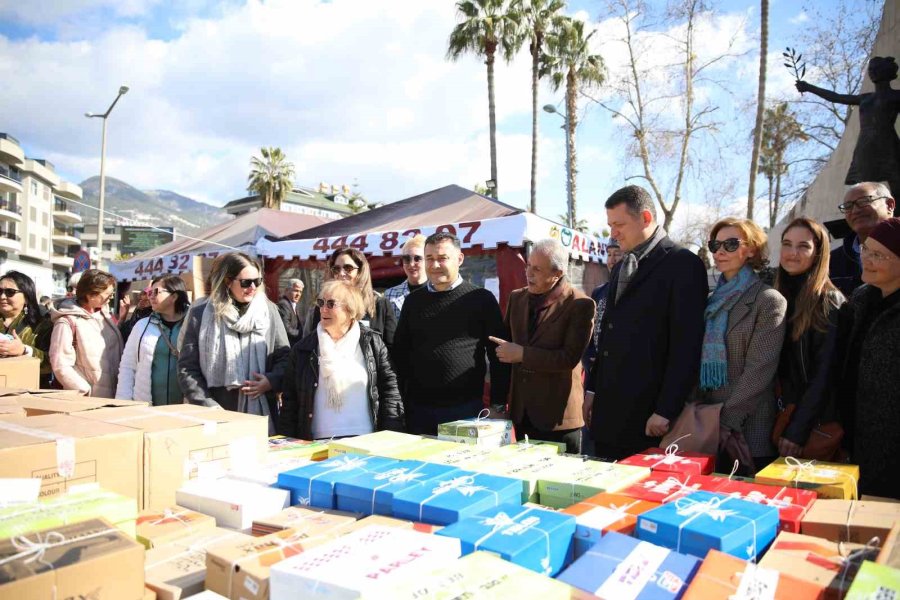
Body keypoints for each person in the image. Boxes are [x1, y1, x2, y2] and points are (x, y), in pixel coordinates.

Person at [586, 185, 708, 460]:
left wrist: (666, 409)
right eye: (610, 225)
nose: (613, 233)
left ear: (645, 218)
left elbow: (687, 345)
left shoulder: (683, 264)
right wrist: (593, 389)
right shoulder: (621, 266)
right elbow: (607, 336)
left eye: (619, 225)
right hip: (608, 413)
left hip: (649, 419)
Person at [393, 232, 510, 435]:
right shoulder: (413, 302)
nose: (435, 265)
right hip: (418, 411)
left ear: (460, 258)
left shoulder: (481, 299)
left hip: (466, 410)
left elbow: (499, 355)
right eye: (429, 258)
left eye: (442, 258)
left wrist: (498, 404)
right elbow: (400, 354)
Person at [695, 218, 786, 475]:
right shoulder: (711, 301)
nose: (720, 251)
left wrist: (726, 421)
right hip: (708, 424)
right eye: (715, 245)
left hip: (748, 427)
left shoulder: (768, 300)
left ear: (751, 249)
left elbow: (760, 370)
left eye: (731, 244)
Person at [491, 239, 594, 454]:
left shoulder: (579, 304)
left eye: (537, 269)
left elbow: (568, 358)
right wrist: (498, 403)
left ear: (557, 273)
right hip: (522, 414)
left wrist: (522, 354)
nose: (528, 273)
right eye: (528, 265)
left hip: (558, 419)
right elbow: (504, 352)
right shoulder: (517, 298)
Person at [278, 281, 404, 439]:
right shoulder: (303, 349)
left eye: (331, 304)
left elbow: (390, 391)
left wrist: (391, 435)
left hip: (365, 440)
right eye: (321, 302)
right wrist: (287, 440)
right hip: (316, 443)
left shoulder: (372, 343)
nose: (323, 309)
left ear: (351, 310)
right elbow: (290, 403)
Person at [178, 252, 290, 430]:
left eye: (257, 281)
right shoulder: (200, 313)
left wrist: (270, 381)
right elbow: (187, 368)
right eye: (246, 282)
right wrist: (208, 406)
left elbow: (284, 357)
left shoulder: (269, 311)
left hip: (260, 413)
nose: (252, 287)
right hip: (214, 414)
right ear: (227, 281)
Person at [833, 217, 900, 499]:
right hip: (854, 435)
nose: (867, 260)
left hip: (891, 446)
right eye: (866, 250)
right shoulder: (861, 299)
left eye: (879, 255)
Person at [773, 218, 845, 458]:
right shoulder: (779, 295)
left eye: (803, 246)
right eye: (787, 244)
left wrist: (797, 431)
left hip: (811, 426)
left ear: (818, 253)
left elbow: (825, 375)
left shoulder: (828, 301)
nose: (792, 253)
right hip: (782, 415)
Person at [796, 57, 900, 206]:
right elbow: (836, 97)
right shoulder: (865, 98)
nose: (871, 73)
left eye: (875, 69)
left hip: (888, 144)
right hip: (866, 145)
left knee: (896, 181)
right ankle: (868, 211)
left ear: (885, 72)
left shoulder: (896, 96)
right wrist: (809, 87)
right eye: (870, 70)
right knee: (865, 186)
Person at [116, 275, 190, 405]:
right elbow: (128, 366)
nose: (150, 296)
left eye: (156, 292)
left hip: (186, 409)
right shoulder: (141, 326)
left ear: (174, 296)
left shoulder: (193, 325)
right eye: (150, 292)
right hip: (146, 408)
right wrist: (123, 401)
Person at [49, 269, 124, 397]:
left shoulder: (104, 316)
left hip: (114, 397)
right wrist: (84, 390)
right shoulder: (67, 322)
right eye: (107, 294)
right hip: (89, 400)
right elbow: (60, 364)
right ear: (90, 295)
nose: (111, 297)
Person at [302, 248, 396, 347]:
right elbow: (310, 344)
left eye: (348, 268)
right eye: (336, 269)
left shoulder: (379, 304)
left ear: (360, 272)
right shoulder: (323, 304)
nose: (341, 273)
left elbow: (391, 347)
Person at [829, 182, 896, 297]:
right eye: (848, 206)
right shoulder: (832, 262)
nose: (855, 211)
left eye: (864, 201)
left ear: (889, 205)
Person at [0, 271, 53, 386]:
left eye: (10, 292)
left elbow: (52, 363)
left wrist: (23, 350)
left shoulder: (43, 325)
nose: (2, 297)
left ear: (27, 298)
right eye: (0, 291)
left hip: (28, 389)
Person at [582, 239, 622, 373]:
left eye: (617, 254)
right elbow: (590, 329)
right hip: (596, 368)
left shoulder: (634, 291)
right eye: (609, 254)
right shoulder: (599, 292)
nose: (612, 260)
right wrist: (588, 358)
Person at [384, 234, 428, 320]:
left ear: (427, 260)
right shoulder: (390, 294)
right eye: (407, 259)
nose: (411, 264)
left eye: (417, 258)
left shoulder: (438, 290)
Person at [276, 279, 305, 346]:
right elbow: (286, 329)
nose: (298, 294)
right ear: (286, 290)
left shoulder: (293, 304)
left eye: (300, 292)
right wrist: (302, 334)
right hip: (286, 345)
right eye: (296, 290)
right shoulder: (284, 304)